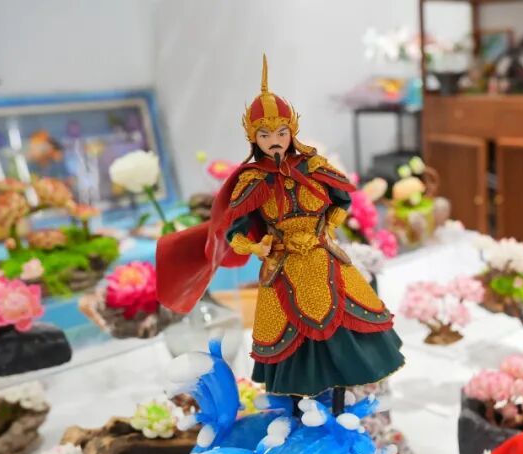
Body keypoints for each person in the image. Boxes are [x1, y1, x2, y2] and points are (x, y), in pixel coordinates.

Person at [156, 55, 404, 414]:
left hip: (323, 257)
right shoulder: (252, 180)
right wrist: (257, 246)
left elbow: (342, 199)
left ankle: (339, 408)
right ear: (253, 137)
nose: (274, 140)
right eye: (265, 134)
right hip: (283, 264)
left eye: (281, 133)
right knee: (292, 344)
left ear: (292, 132)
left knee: (345, 330)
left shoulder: (314, 166)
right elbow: (235, 233)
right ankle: (299, 412)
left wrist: (327, 227)